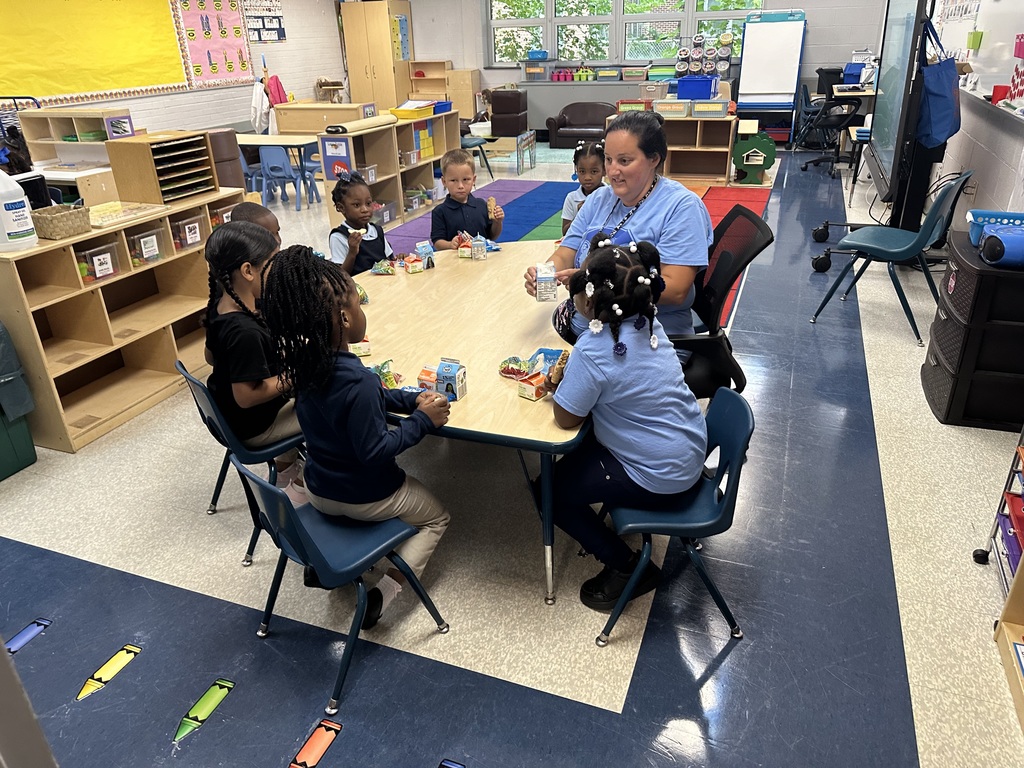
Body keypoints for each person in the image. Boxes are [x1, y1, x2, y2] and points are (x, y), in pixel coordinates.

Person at [261, 246, 452, 629]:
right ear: (346, 317)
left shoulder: (307, 366)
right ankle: (386, 590)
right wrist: (423, 421)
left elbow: (373, 397)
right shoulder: (359, 381)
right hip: (368, 497)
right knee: (437, 518)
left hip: (318, 491)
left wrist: (412, 398)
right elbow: (375, 451)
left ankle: (330, 560)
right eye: (359, 304)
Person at [542, 237, 707, 611]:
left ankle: (628, 566)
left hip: (660, 474)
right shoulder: (650, 323)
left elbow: (566, 419)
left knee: (548, 491)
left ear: (591, 302)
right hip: (688, 450)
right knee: (581, 460)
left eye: (580, 288)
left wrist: (564, 385)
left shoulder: (592, 348)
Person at [523, 111, 713, 349]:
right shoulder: (599, 198)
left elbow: (675, 289)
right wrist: (545, 274)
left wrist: (594, 284)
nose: (612, 171)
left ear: (654, 159)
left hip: (644, 341)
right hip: (586, 328)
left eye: (624, 161)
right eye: (609, 159)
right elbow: (566, 251)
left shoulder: (681, 207)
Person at [203, 221, 303, 500]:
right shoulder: (244, 332)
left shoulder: (219, 306)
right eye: (272, 263)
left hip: (231, 417)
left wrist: (274, 356)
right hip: (255, 426)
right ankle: (303, 488)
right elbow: (247, 396)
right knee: (332, 408)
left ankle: (285, 470)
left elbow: (210, 356)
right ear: (247, 271)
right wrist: (296, 373)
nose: (277, 271)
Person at [431, 149, 505, 250]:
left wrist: (498, 222)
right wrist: (450, 245)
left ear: (473, 180)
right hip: (456, 261)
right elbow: (437, 241)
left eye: (465, 180)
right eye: (453, 180)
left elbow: (492, 236)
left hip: (482, 258)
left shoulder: (481, 205)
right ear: (444, 181)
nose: (460, 186)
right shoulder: (440, 211)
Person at [328, 170, 397, 275]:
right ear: (341, 208)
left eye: (368, 203)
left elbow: (389, 260)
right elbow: (341, 277)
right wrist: (352, 252)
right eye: (356, 205)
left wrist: (399, 261)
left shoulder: (376, 231)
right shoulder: (339, 236)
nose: (365, 209)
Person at [562, 140, 605, 235]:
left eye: (594, 172)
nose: (587, 177)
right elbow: (565, 233)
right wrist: (580, 215)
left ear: (604, 170)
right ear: (576, 170)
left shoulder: (612, 196)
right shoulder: (572, 198)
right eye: (582, 171)